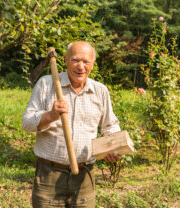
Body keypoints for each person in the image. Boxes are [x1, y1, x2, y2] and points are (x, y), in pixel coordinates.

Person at [22, 41, 121, 207]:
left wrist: (112, 147)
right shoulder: (47, 84)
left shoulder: (100, 91)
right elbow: (27, 123)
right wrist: (50, 115)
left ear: (92, 64)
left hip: (84, 176)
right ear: (66, 60)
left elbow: (110, 126)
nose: (80, 67)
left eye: (86, 62)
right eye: (75, 60)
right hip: (49, 175)